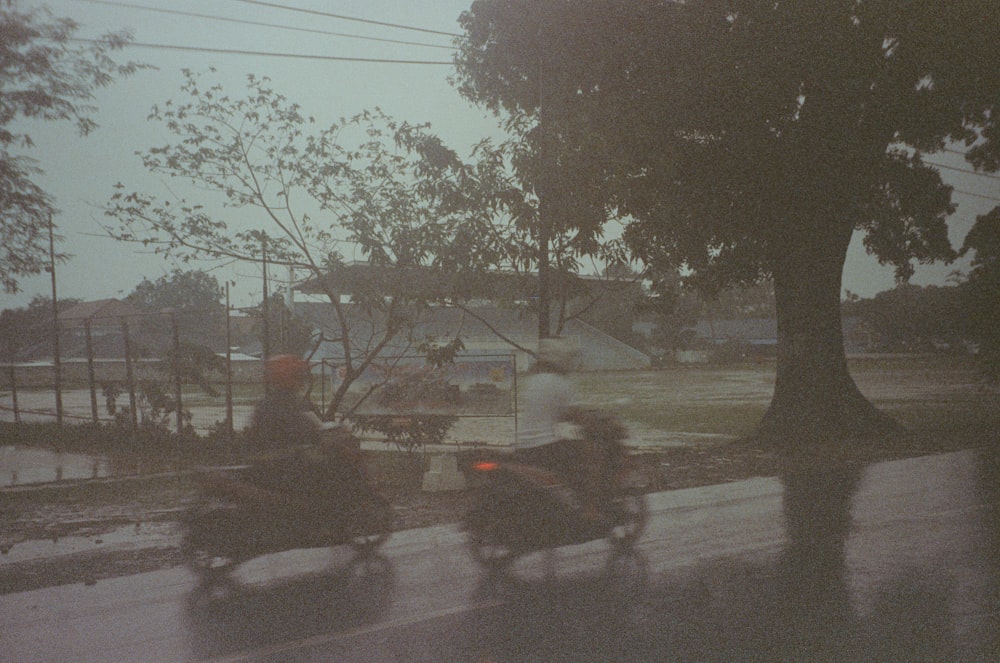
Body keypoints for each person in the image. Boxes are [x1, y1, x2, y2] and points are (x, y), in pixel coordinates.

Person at [514, 338, 605, 522]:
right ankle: (590, 509)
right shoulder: (560, 383)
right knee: (590, 458)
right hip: (547, 446)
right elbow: (574, 414)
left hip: (523, 446)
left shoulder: (532, 381)